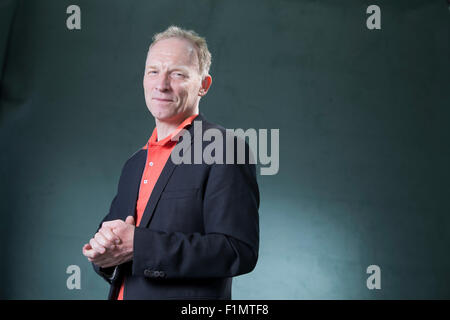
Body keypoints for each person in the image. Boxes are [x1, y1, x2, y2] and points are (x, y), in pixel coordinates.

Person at [82, 25, 260, 300]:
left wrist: (140, 246)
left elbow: (238, 250)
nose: (161, 84)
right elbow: (116, 249)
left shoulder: (225, 148)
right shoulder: (135, 163)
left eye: (177, 74)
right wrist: (102, 252)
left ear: (203, 85)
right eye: (153, 71)